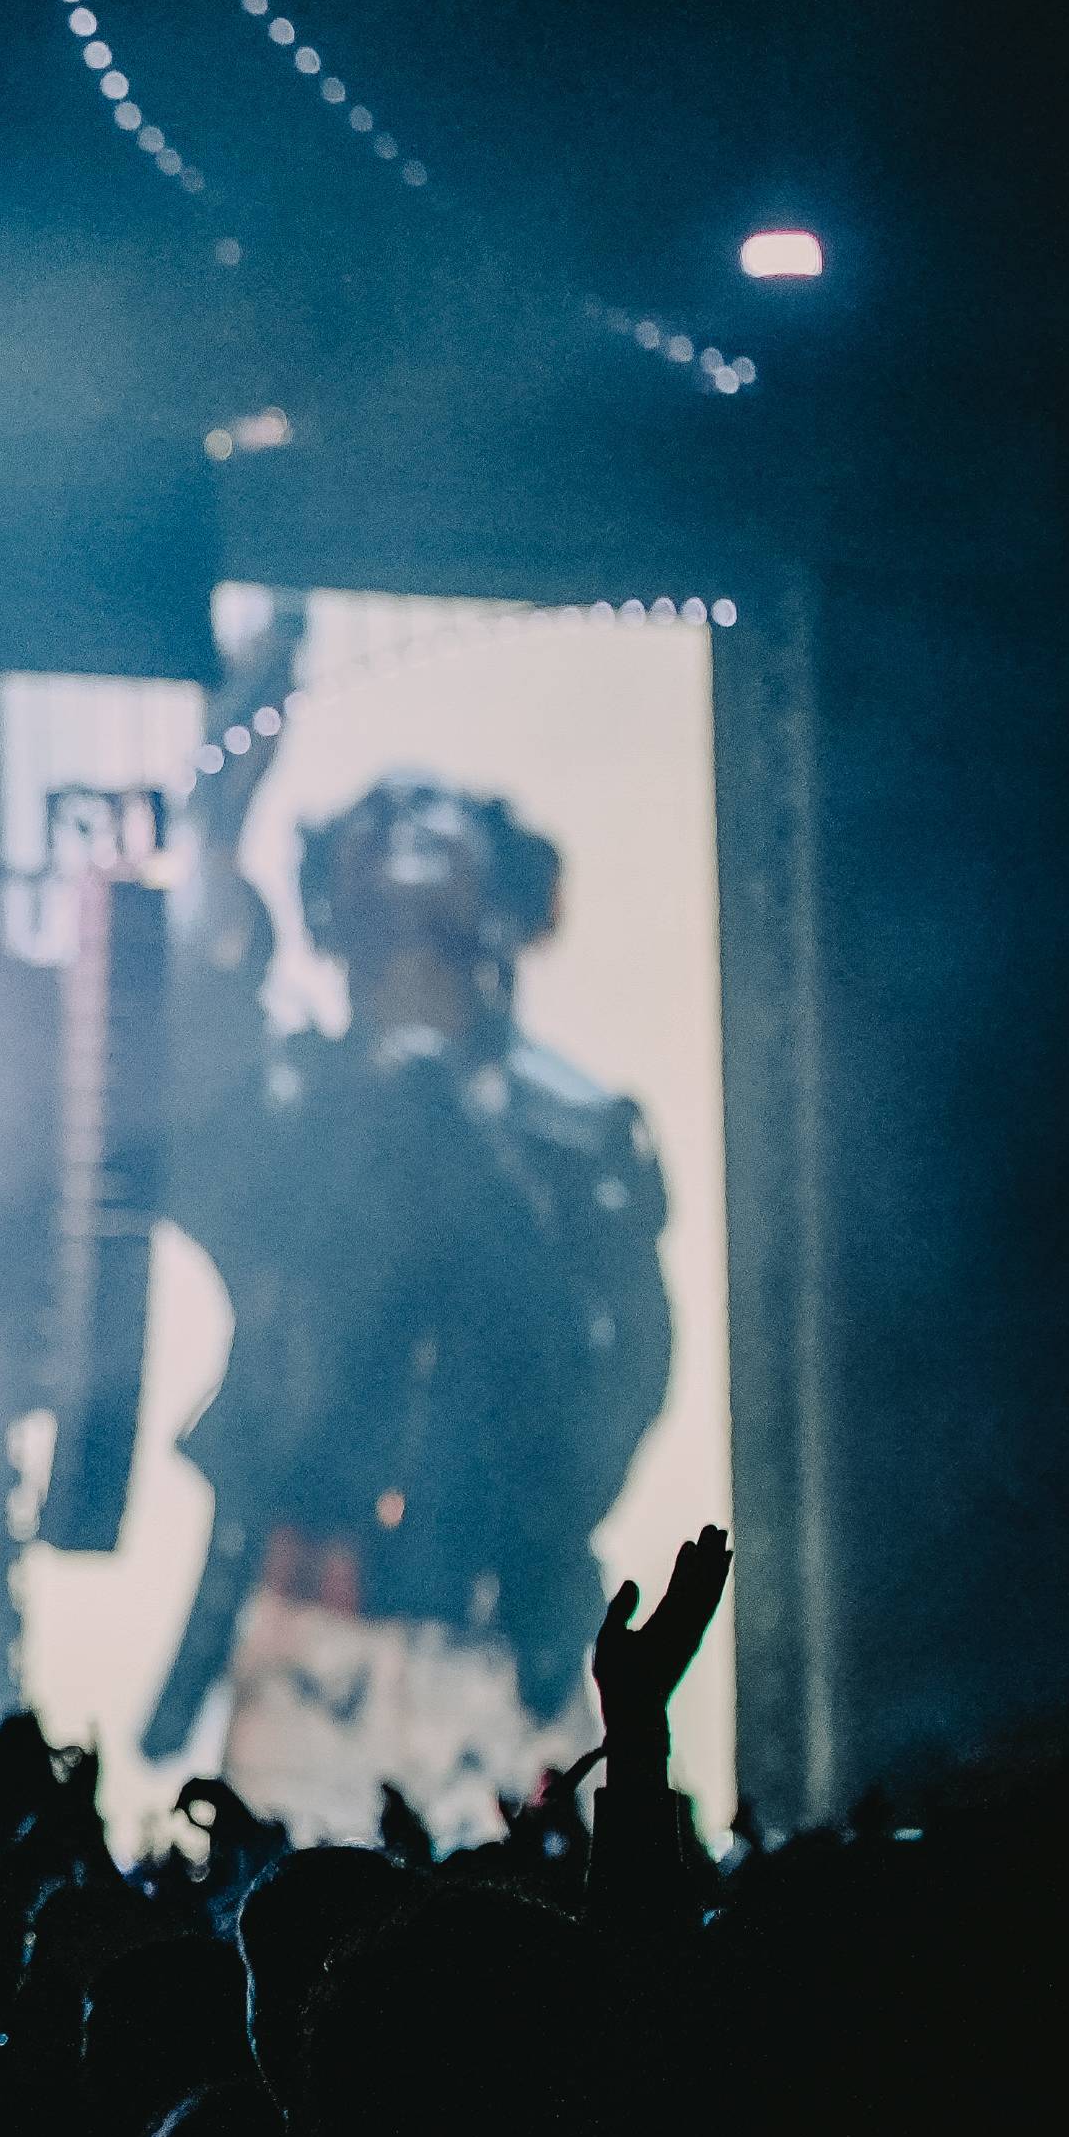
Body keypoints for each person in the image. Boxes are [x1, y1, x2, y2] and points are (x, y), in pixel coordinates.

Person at [138, 600, 673, 1834]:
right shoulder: (287, 1103)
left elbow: (629, 1371)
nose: (410, 844)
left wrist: (537, 1524)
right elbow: (195, 1074)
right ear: (332, 913)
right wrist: (219, 818)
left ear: (504, 907)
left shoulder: (576, 1130)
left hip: (509, 1632)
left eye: (442, 840)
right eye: (377, 849)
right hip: (315, 1625)